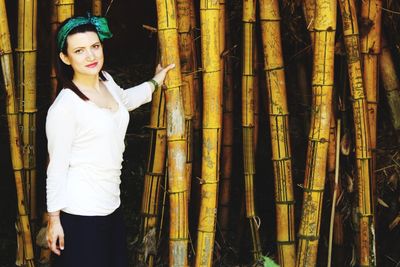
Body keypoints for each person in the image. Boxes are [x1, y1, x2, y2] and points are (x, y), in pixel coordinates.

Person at [45, 14, 174, 267]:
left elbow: (124, 100)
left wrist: (156, 81)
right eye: (79, 50)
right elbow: (57, 167)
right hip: (80, 213)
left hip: (111, 205)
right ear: (65, 57)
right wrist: (54, 219)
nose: (91, 56)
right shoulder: (65, 107)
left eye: (95, 46)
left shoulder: (106, 81)